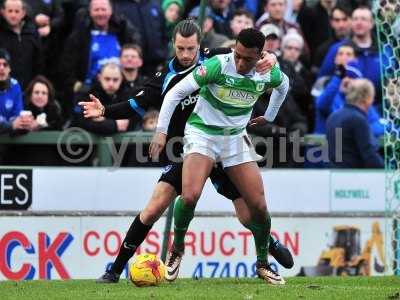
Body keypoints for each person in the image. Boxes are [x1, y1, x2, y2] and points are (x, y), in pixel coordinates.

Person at [79, 20, 293, 284]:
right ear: (173, 46)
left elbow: (251, 54)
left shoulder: (214, 58)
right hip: (191, 147)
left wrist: (270, 58)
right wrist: (106, 111)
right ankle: (114, 270)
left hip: (229, 143)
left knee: (249, 213)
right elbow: (135, 105)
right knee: (155, 207)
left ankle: (267, 243)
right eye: (180, 49)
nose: (185, 55)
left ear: (200, 46)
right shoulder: (165, 78)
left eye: (191, 48)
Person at [149, 28, 289, 284]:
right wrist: (161, 132)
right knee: (190, 195)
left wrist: (269, 116)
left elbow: (284, 85)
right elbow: (174, 94)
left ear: (260, 56)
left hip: (235, 138)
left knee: (259, 206)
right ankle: (176, 250)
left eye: (248, 58)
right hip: (202, 134)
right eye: (238, 55)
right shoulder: (217, 66)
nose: (240, 62)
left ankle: (262, 264)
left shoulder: (266, 72)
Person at [326, 78, 383, 168]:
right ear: (367, 98)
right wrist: (387, 172)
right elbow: (369, 155)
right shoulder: (358, 120)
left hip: (334, 176)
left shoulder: (333, 117)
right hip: (354, 177)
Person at [0, 0, 43, 89]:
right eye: (10, 11)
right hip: (4, 87)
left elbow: (39, 60)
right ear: (3, 12)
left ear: (23, 13)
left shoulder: (32, 32)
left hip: (29, 86)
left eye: (17, 11)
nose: (13, 15)